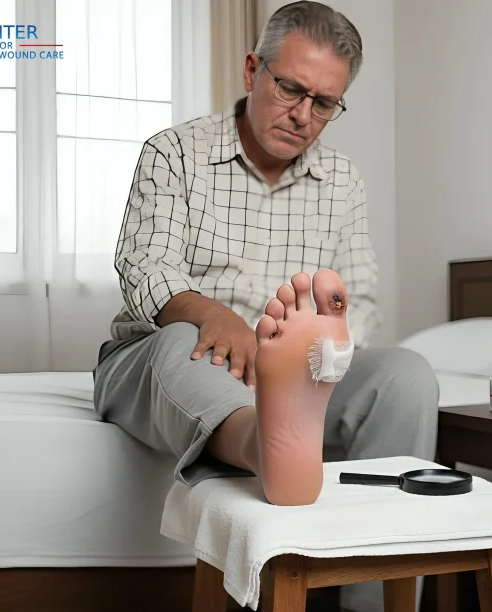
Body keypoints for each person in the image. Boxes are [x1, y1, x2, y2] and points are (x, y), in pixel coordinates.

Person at [94, 0, 438, 515]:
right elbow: (146, 270)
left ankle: (373, 578)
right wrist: (216, 316)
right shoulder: (173, 152)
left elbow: (359, 300)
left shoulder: (343, 182)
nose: (302, 114)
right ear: (253, 70)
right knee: (183, 336)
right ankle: (265, 445)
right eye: (291, 89)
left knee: (407, 374)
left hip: (294, 376)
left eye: (324, 103)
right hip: (169, 358)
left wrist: (315, 355)